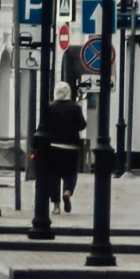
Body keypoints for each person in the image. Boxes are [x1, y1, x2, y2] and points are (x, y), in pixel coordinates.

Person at [45, 78, 87, 215]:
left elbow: (45, 126)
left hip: (53, 147)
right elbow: (82, 125)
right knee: (70, 173)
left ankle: (56, 207)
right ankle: (67, 193)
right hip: (71, 147)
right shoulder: (75, 107)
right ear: (68, 92)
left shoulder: (50, 107)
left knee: (54, 176)